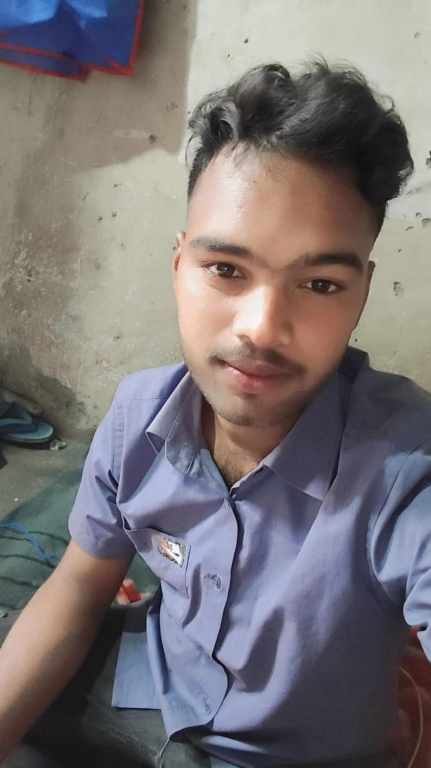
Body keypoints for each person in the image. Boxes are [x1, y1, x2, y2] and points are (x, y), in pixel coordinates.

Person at [0, 59, 429, 768]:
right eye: (226, 269)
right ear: (179, 266)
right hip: (149, 688)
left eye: (319, 284)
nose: (261, 327)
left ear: (360, 295)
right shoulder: (138, 416)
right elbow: (79, 584)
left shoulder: (404, 470)